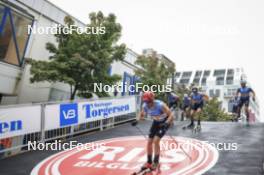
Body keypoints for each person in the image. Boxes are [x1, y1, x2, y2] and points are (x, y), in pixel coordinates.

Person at [132, 91, 173, 170]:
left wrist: (167, 123)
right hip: (156, 122)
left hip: (164, 122)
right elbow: (142, 114)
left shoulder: (160, 105)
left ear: (152, 99)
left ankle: (156, 162)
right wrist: (137, 120)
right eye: (146, 102)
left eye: (149, 102)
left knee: (156, 141)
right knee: (149, 141)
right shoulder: (145, 106)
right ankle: (149, 162)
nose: (148, 104)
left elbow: (171, 115)